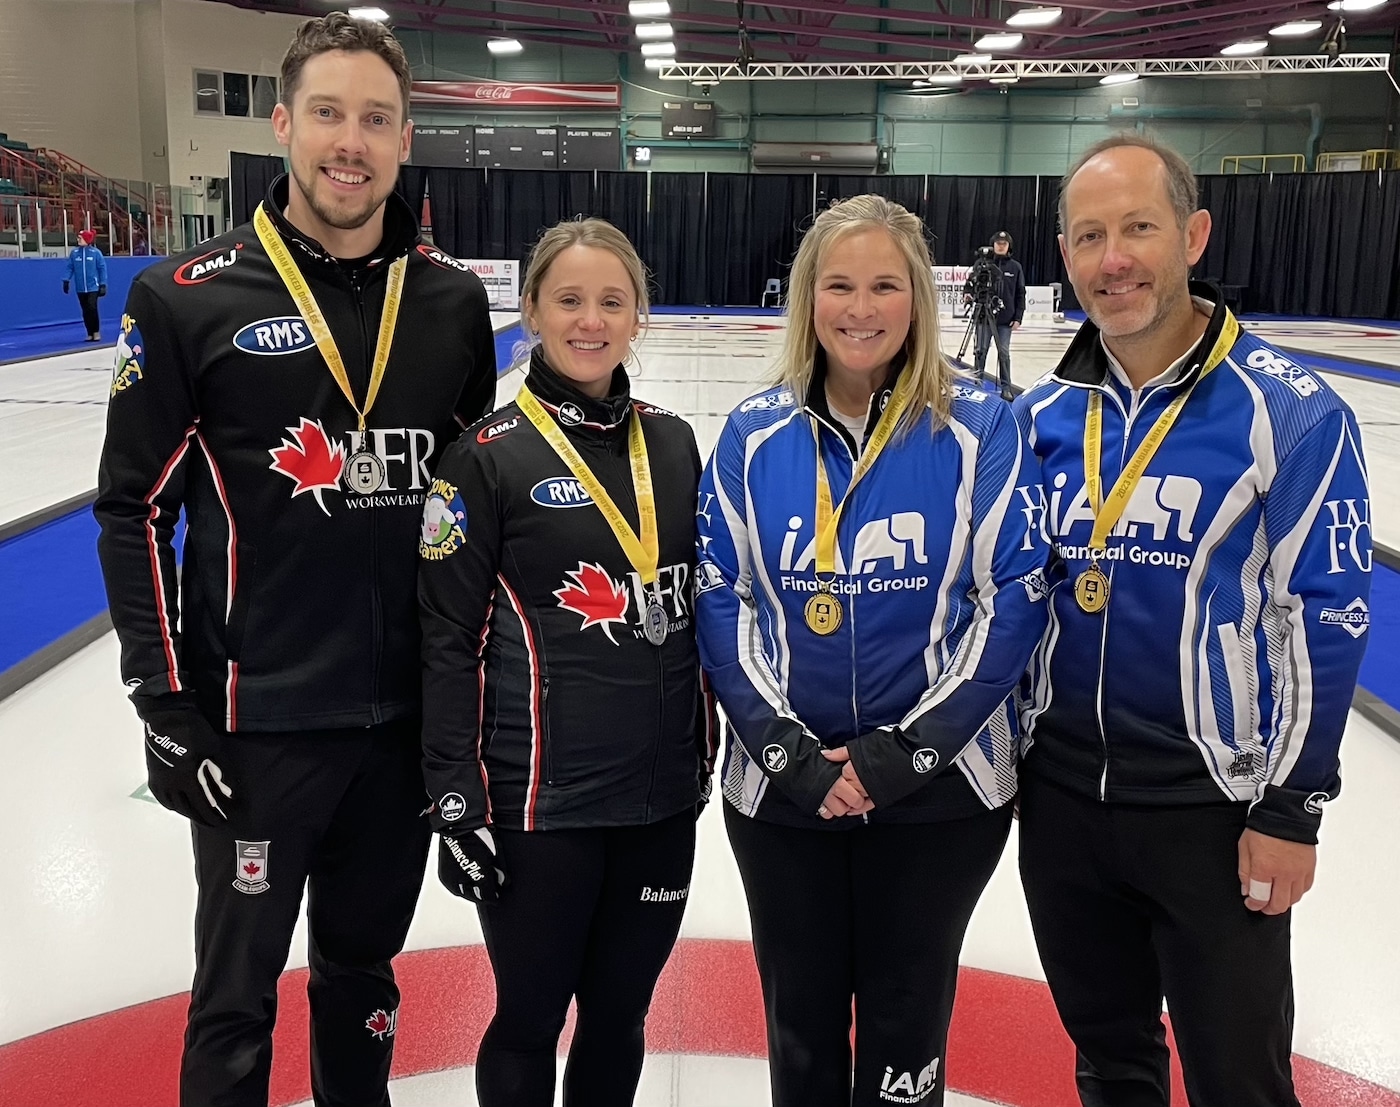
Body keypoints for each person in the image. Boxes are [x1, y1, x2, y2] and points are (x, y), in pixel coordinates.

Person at [93, 13, 497, 1107]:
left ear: (406, 138)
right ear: (283, 124)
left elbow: (467, 526)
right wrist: (166, 706)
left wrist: (466, 718)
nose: (348, 141)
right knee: (233, 1001)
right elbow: (130, 510)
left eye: (374, 118)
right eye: (327, 113)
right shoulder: (185, 299)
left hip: (399, 732)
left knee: (363, 980)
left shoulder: (453, 306)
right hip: (256, 728)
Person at [1013, 133, 1372, 1107]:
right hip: (1059, 809)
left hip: (1212, 818)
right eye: (1088, 236)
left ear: (1193, 235)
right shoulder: (1041, 420)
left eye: (1137, 228)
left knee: (1236, 1081)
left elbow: (1324, 621)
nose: (1112, 259)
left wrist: (1289, 809)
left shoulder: (1288, 414)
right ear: (1064, 256)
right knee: (1109, 1062)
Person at [695, 193, 1050, 1107]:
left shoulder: (983, 424)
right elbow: (722, 598)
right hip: (783, 794)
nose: (862, 307)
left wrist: (909, 752)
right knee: (801, 1026)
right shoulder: (752, 431)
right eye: (840, 285)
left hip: (942, 795)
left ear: (920, 298)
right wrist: (787, 751)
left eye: (885, 284)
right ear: (809, 297)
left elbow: (1011, 595)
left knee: (906, 1029)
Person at [419, 217, 716, 1107]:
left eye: (612, 301)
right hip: (538, 807)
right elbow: (445, 639)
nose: (592, 321)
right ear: (533, 312)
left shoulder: (673, 442)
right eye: (570, 300)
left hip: (661, 799)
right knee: (529, 1016)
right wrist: (454, 795)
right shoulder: (484, 456)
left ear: (639, 317)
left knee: (622, 1016)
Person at [962, 230, 1025, 400]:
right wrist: (967, 293)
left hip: (1005, 320)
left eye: (1004, 244)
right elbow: (970, 283)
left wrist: (1018, 317)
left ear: (1008, 246)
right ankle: (977, 384)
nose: (1000, 246)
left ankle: (1006, 387)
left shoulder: (1015, 267)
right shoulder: (981, 264)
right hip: (983, 317)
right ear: (993, 245)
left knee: (1003, 353)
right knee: (980, 351)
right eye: (998, 243)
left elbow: (1021, 293)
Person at [64, 227, 108, 341]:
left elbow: (102, 268)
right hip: (80, 288)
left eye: (80, 238)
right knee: (85, 311)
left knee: (92, 308)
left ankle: (96, 331)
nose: (78, 239)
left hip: (93, 286)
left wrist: (103, 284)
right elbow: (70, 267)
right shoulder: (74, 253)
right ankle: (89, 332)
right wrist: (66, 280)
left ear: (87, 240)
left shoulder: (95, 253)